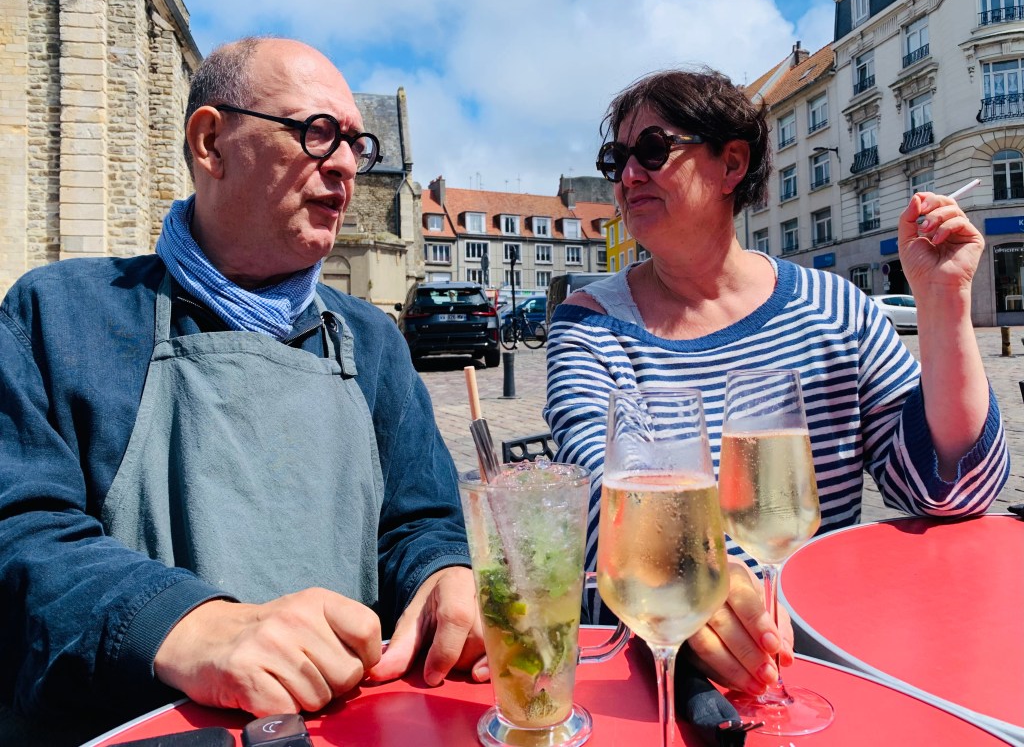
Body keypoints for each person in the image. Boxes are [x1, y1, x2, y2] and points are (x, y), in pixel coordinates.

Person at [0, 37, 484, 744]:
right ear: (211, 144)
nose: (347, 164)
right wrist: (187, 624)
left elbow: (420, 521)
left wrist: (441, 576)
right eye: (317, 132)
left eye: (356, 144)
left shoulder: (373, 341)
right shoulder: (60, 314)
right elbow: (21, 532)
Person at [544, 68, 1009, 700]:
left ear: (731, 164)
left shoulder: (834, 309)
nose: (627, 176)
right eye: (615, 159)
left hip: (822, 652)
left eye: (652, 150)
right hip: (658, 663)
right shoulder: (591, 325)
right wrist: (703, 586)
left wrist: (943, 301)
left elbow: (950, 491)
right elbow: (606, 505)